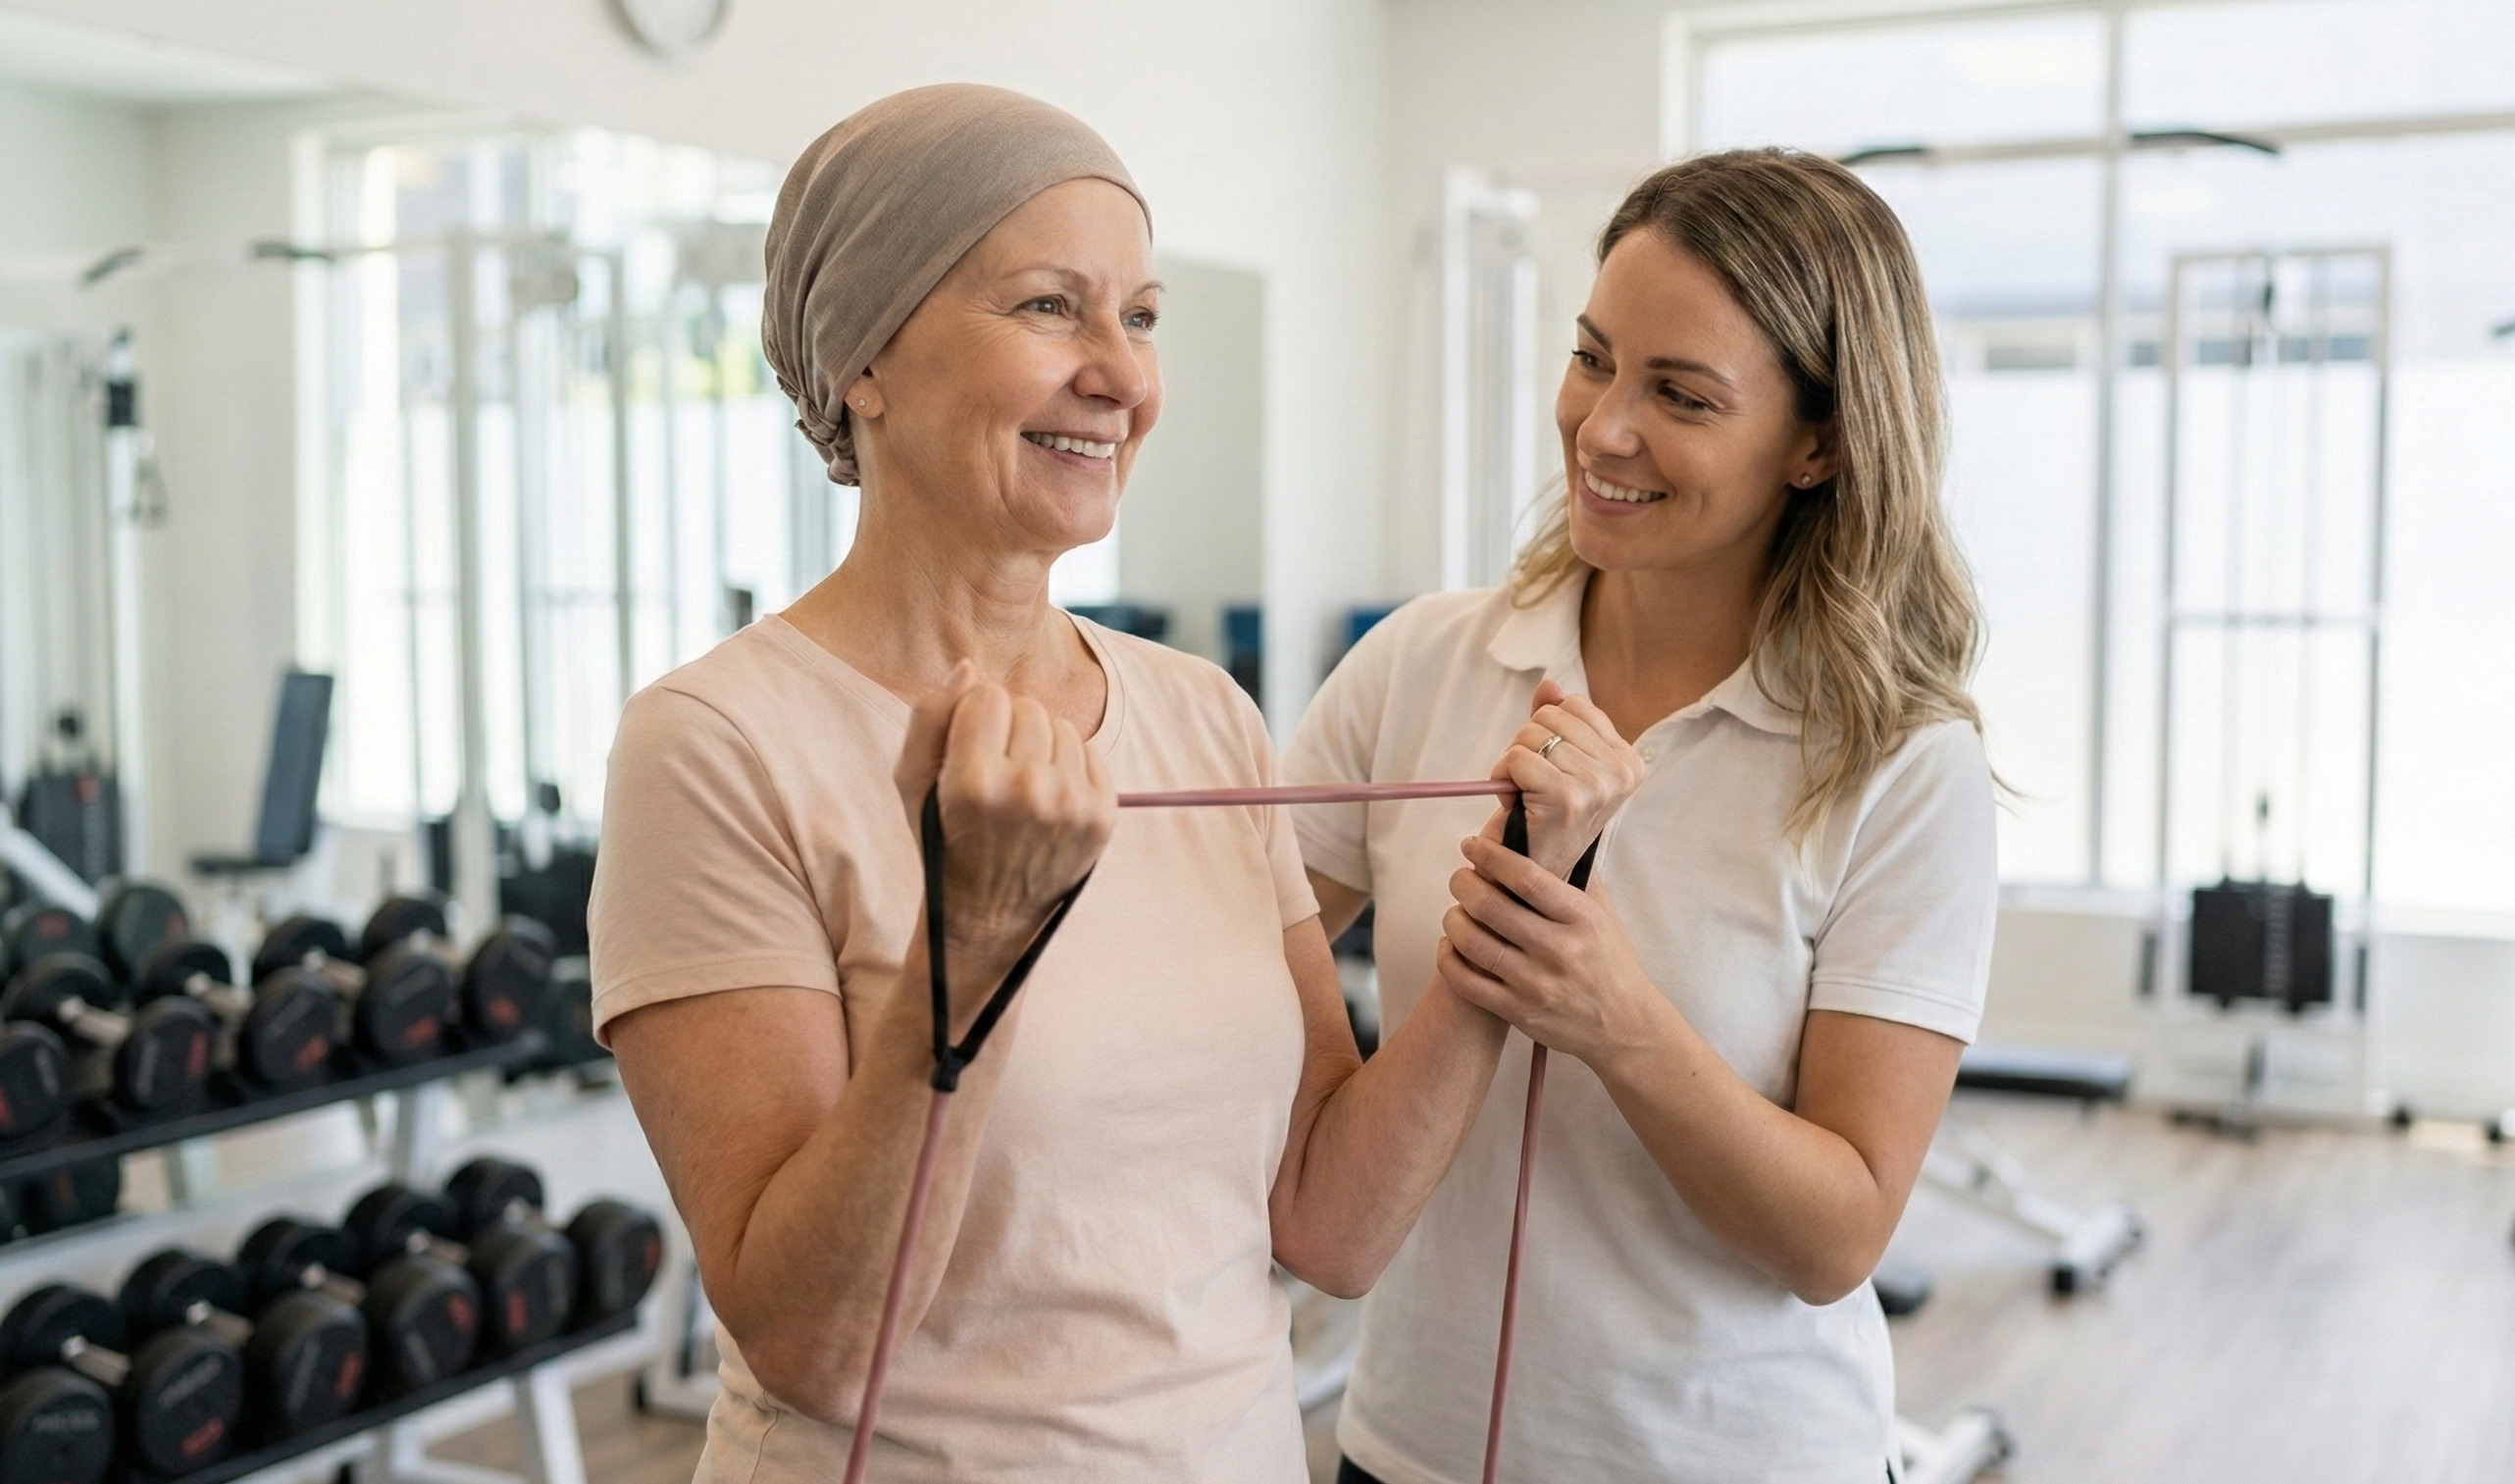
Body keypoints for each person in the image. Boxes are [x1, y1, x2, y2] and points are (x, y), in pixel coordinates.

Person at [588, 84, 1632, 1483]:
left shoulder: (1200, 712)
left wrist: (1515, 905)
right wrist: (977, 946)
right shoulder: (715, 745)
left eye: (1140, 317)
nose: (1124, 377)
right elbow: (818, 1341)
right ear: (865, 358)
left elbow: (1330, 1223)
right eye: (1046, 308)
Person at [1286, 148, 1999, 1484]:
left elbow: (1836, 1236)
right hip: (1413, 1447)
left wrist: (1615, 1015)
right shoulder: (1423, 665)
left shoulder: (1902, 764)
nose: (1602, 427)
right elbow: (1216, 961)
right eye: (1593, 358)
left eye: (1679, 393)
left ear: (1820, 443)